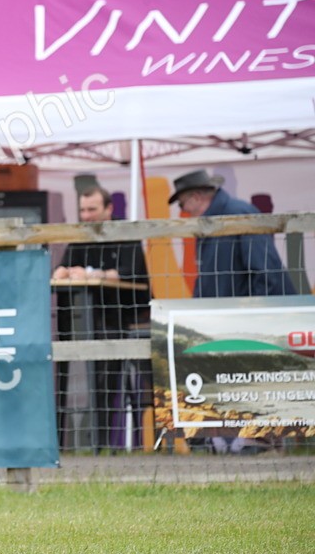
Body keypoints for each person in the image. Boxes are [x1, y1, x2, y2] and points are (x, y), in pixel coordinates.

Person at [52, 182, 151, 449]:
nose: (86, 216)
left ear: (109, 209)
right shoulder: (81, 235)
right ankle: (64, 443)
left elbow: (132, 274)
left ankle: (101, 442)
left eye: (92, 209)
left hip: (117, 318)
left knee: (106, 376)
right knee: (62, 370)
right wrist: (62, 271)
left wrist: (94, 274)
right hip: (78, 320)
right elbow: (65, 266)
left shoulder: (126, 234)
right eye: (82, 210)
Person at [171, 170, 298, 298]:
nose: (184, 211)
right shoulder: (209, 224)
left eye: (181, 204)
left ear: (196, 197)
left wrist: (255, 311)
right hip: (230, 312)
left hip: (252, 313)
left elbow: (266, 271)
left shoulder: (239, 215)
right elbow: (207, 280)